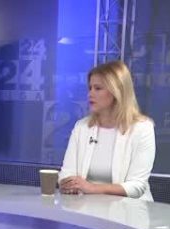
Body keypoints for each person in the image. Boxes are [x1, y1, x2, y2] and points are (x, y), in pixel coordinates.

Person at [59, 60, 155, 201]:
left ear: (117, 91)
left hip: (130, 210)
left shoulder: (142, 128)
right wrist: (68, 184)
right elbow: (66, 174)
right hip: (85, 207)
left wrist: (92, 188)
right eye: (90, 88)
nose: (90, 94)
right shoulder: (82, 127)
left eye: (98, 88)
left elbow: (137, 186)